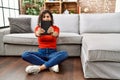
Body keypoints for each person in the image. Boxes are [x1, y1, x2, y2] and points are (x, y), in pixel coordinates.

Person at [21, 9, 68, 74]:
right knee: (25, 54)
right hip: (41, 53)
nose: (46, 18)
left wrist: (52, 32)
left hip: (52, 54)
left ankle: (40, 68)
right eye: (44, 17)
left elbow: (56, 34)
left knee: (65, 53)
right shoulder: (38, 28)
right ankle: (51, 65)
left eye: (48, 16)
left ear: (51, 18)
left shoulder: (55, 28)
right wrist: (39, 32)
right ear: (41, 19)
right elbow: (37, 34)